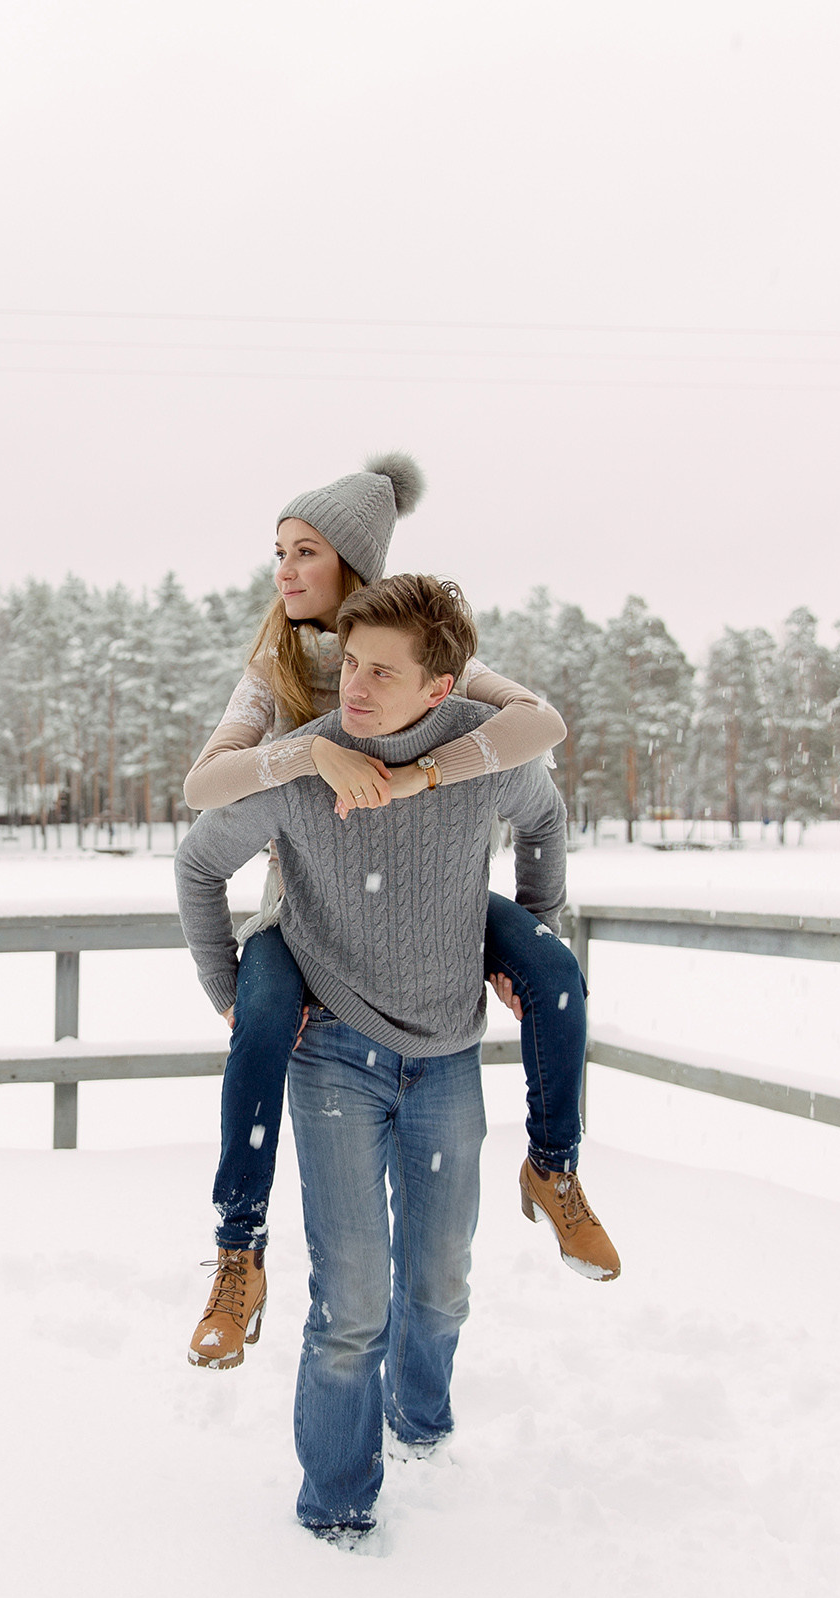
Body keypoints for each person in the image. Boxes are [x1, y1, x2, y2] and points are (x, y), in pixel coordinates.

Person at [179, 455, 615, 1373]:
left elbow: (537, 727)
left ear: (353, 563)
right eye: (279, 552)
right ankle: (238, 1254)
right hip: (310, 910)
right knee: (258, 1016)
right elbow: (203, 787)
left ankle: (555, 1165)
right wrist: (308, 759)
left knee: (554, 971)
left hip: (441, 890)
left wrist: (427, 773)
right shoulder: (274, 668)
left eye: (305, 552)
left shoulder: (402, 643)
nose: (284, 572)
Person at [174, 573, 571, 1542]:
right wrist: (233, 993)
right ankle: (338, 1509)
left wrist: (532, 931)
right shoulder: (305, 765)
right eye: (347, 662)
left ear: (441, 689)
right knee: (351, 1302)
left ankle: (420, 1426)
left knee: (439, 1282)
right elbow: (197, 858)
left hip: (445, 1056)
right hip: (334, 1059)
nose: (351, 685)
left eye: (380, 672)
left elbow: (546, 813)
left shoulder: (476, 755)